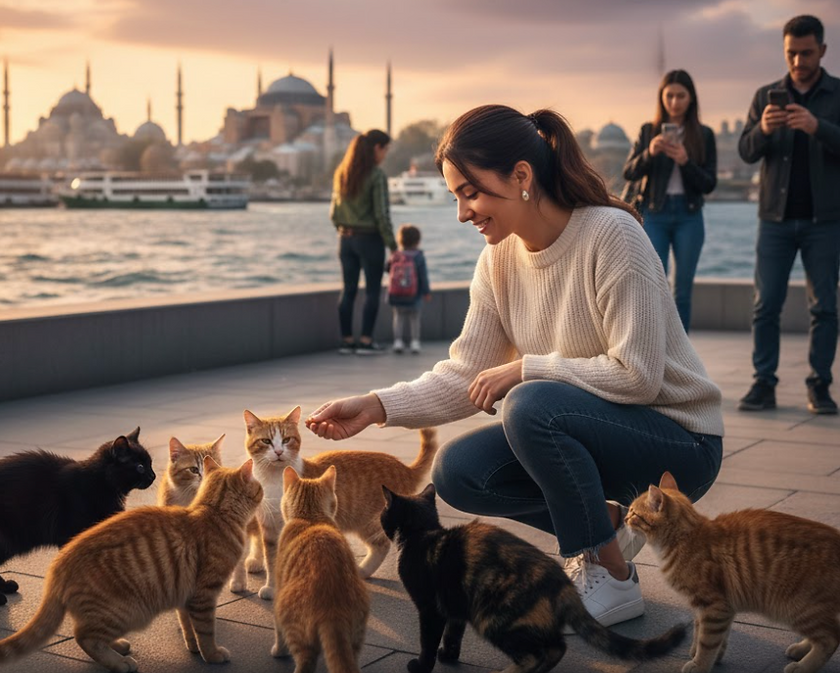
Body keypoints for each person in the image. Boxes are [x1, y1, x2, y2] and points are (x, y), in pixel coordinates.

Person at [306, 105, 724, 627]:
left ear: (521, 176)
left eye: (470, 192)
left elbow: (638, 376)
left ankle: (607, 575)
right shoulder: (498, 261)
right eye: (456, 196)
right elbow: (467, 375)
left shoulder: (612, 235)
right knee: (457, 472)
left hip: (679, 445)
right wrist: (375, 406)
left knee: (529, 403)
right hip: (592, 432)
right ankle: (606, 527)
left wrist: (528, 368)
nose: (463, 213)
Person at [738, 15, 840, 415]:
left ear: (823, 51)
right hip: (774, 220)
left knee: (825, 307)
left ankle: (820, 385)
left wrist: (819, 127)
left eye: (806, 53)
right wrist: (762, 129)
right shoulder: (766, 94)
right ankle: (763, 383)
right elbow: (747, 152)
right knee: (766, 305)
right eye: (791, 54)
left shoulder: (837, 94)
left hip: (825, 220)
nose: (797, 61)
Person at [623, 70, 717, 332]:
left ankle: (681, 355)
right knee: (654, 284)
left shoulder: (704, 135)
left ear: (691, 99)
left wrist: (685, 161)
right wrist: (650, 153)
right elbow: (629, 172)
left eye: (681, 96)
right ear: (661, 98)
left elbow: (709, 183)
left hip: (689, 215)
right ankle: (656, 347)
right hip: (655, 213)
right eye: (669, 96)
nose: (674, 102)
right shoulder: (648, 131)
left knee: (683, 290)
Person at [330, 129, 397, 355]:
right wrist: (394, 247)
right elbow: (382, 215)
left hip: (345, 240)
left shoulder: (341, 172)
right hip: (370, 240)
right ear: (377, 148)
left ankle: (347, 341)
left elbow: (333, 213)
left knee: (348, 290)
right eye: (385, 149)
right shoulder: (376, 175)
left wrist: (344, 230)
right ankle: (366, 341)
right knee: (372, 291)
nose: (385, 155)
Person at [386, 224, 431, 354]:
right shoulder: (418, 256)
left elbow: (387, 269)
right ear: (418, 241)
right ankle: (415, 342)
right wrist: (426, 292)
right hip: (414, 294)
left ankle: (398, 341)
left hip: (396, 293)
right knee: (414, 318)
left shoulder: (396, 255)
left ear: (400, 240)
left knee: (398, 317)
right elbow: (423, 276)